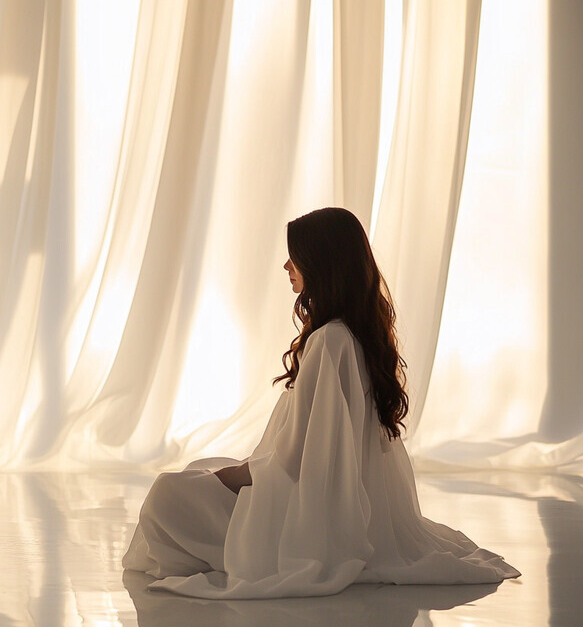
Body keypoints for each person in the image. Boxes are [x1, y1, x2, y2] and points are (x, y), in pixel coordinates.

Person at [122, 207, 521, 599]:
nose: (285, 266)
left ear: (321, 264)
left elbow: (295, 459)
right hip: (312, 496)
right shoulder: (353, 336)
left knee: (167, 494)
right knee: (199, 469)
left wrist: (232, 478)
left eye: (295, 256)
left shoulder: (330, 342)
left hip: (302, 513)